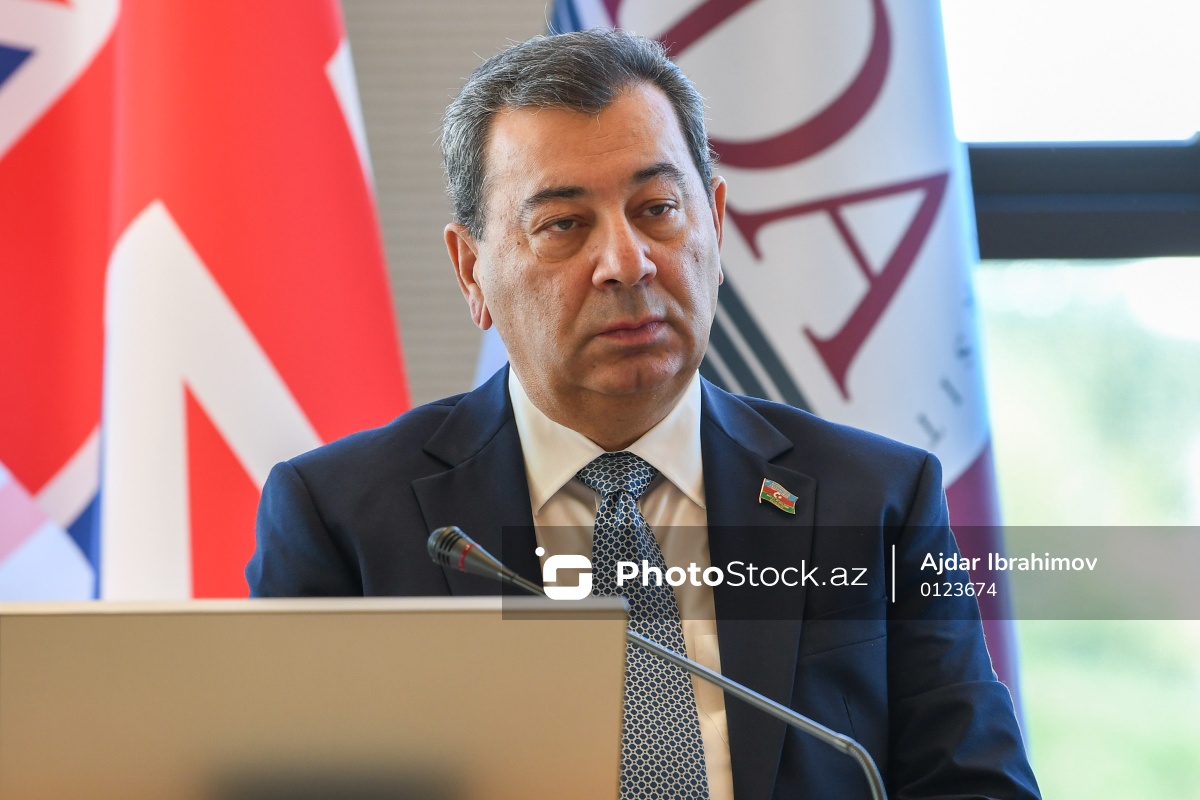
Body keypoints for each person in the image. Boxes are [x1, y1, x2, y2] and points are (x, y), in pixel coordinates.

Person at [248, 29, 1040, 800]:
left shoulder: (876, 499)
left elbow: (976, 785)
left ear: (715, 225)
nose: (627, 263)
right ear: (471, 271)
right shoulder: (346, 520)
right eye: (563, 225)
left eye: (657, 208)